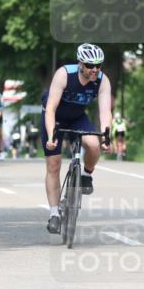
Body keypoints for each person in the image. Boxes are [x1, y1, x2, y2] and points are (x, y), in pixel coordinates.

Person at [43, 43, 113, 234]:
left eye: (98, 65)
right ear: (80, 63)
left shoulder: (102, 80)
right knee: (54, 164)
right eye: (90, 65)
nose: (95, 69)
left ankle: (86, 175)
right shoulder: (64, 74)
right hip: (55, 118)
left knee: (93, 145)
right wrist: (51, 135)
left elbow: (105, 112)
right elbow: (50, 109)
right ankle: (54, 214)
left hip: (77, 118)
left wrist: (106, 136)